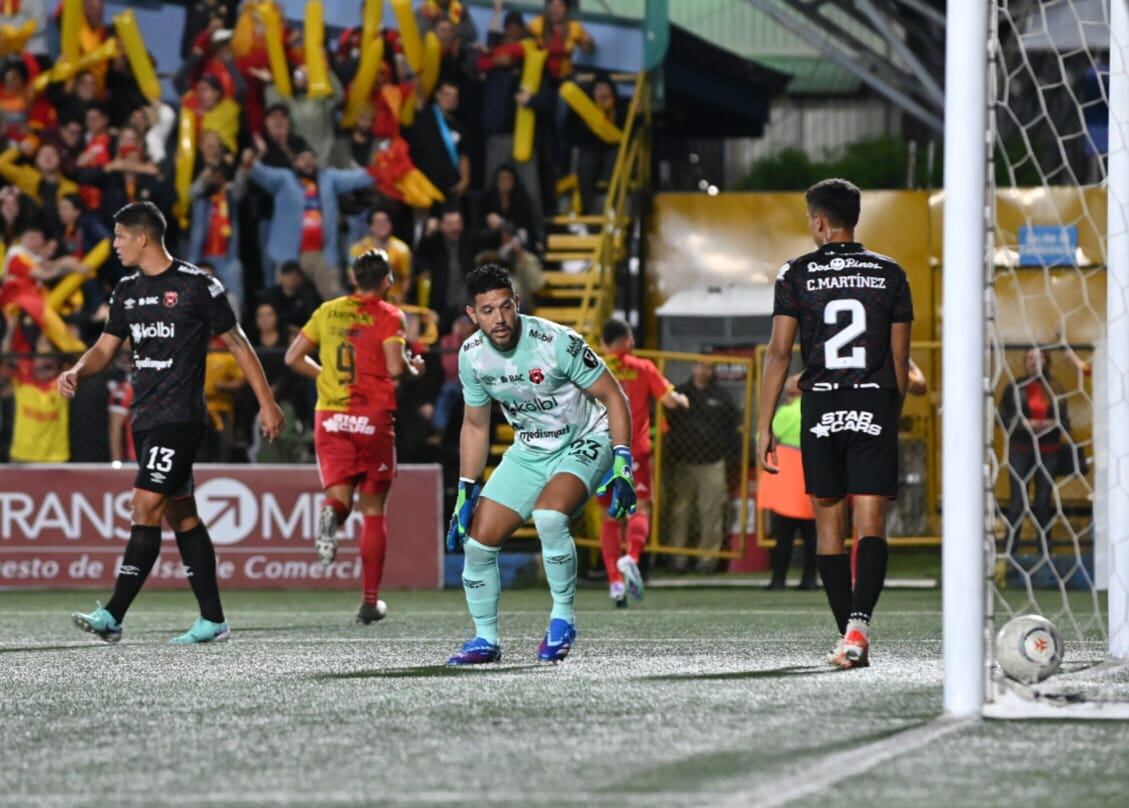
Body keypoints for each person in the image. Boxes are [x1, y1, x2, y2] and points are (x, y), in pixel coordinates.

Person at [63, 201, 284, 644]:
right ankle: (213, 620)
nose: (114, 245)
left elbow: (238, 344)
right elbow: (105, 349)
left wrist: (267, 403)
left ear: (142, 237)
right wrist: (76, 370)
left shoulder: (196, 286)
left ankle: (113, 615)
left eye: (120, 236)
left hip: (180, 418)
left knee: (144, 507)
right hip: (145, 420)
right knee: (183, 517)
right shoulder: (125, 290)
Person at [445, 263, 635, 665]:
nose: (498, 319)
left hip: (587, 438)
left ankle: (563, 619)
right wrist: (465, 487)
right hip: (530, 450)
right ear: (472, 315)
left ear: (517, 302)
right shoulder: (472, 357)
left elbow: (615, 397)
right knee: (477, 544)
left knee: (549, 517)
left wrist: (622, 462)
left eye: (505, 307)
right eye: (487, 311)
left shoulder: (556, 341)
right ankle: (485, 639)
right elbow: (476, 425)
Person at [758, 178, 914, 669]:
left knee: (830, 527)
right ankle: (858, 629)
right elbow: (901, 360)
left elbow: (780, 352)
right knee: (870, 524)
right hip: (874, 403)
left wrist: (764, 425)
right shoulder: (890, 273)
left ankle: (846, 638)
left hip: (821, 405)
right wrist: (890, 414)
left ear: (820, 223)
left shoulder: (796, 273)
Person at [284, 249, 425, 624]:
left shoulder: (328, 311)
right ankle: (369, 601)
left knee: (339, 498)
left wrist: (326, 378)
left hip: (330, 418)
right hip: (372, 417)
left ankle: (329, 515)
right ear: (386, 282)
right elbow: (395, 368)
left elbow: (292, 358)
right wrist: (414, 368)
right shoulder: (390, 315)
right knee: (374, 509)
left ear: (352, 279)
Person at [598, 318, 688, 607]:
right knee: (640, 507)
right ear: (627, 340)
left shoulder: (594, 368)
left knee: (608, 517)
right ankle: (632, 557)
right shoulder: (644, 367)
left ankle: (614, 581)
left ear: (603, 343)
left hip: (601, 451)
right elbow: (670, 401)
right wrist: (683, 400)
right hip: (634, 450)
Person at [663, 361, 739, 573]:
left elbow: (733, 426)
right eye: (700, 366)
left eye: (709, 367)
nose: (704, 370)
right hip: (683, 461)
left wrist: (730, 456)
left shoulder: (722, 396)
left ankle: (708, 560)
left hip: (713, 462)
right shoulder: (680, 393)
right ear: (693, 368)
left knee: (711, 512)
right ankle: (677, 558)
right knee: (680, 511)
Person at [998, 348, 1072, 550]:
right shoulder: (1014, 388)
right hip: (1021, 451)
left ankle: (1045, 550)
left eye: (1038, 358)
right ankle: (1011, 551)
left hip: (1048, 451)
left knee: (1043, 502)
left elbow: (1065, 422)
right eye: (1030, 358)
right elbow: (1003, 418)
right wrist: (1025, 425)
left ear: (1047, 361)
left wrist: (1048, 424)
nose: (1034, 362)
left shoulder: (1055, 388)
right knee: (1017, 503)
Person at [761, 377, 817, 591]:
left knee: (784, 534)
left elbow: (764, 437)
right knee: (812, 535)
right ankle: (810, 579)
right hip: (814, 477)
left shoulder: (787, 412)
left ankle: (778, 580)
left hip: (788, 483)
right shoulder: (817, 409)